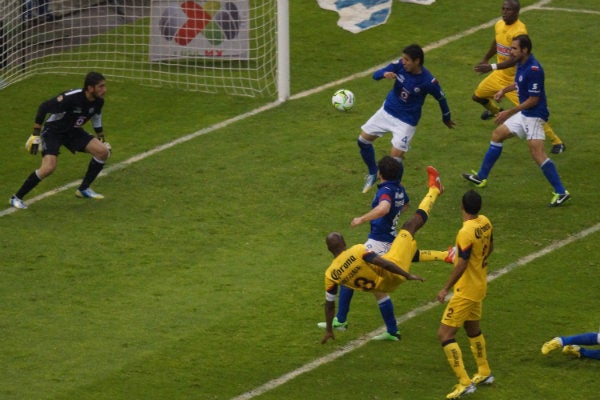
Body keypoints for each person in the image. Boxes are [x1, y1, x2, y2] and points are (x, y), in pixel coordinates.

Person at [318, 156, 454, 336]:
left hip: (379, 240)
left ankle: (342, 321)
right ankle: (446, 255)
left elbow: (383, 208)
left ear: (380, 173)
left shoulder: (386, 190)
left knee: (349, 271)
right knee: (395, 264)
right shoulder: (399, 188)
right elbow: (405, 205)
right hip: (387, 236)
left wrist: (362, 219)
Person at [462, 34, 570, 207]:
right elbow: (520, 83)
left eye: (514, 49)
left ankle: (561, 191)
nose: (510, 52)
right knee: (497, 135)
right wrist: (504, 90)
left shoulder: (534, 70)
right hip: (525, 113)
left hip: (534, 115)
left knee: (537, 154)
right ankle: (481, 176)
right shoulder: (521, 62)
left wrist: (509, 112)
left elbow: (534, 99)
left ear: (524, 50)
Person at [357, 43, 455, 193]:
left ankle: (396, 191)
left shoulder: (428, 81)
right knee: (363, 141)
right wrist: (384, 75)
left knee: (394, 159)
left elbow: (441, 98)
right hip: (387, 112)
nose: (403, 62)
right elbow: (375, 75)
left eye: (407, 60)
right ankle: (372, 172)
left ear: (417, 61)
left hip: (406, 122)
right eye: (403, 58)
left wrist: (446, 117)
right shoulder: (399, 66)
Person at [472, 0, 565, 154]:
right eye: (503, 8)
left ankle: (557, 141)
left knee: (533, 111)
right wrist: (486, 58)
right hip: (498, 75)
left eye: (508, 9)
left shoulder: (520, 32)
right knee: (477, 96)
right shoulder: (499, 24)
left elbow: (515, 59)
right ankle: (496, 111)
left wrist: (492, 66)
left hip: (515, 80)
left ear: (516, 12)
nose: (504, 12)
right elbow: (497, 42)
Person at [9, 72, 111, 209]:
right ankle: (16, 197)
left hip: (73, 131)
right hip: (53, 131)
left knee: (103, 152)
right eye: (101, 86)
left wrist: (101, 139)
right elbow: (44, 107)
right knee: (48, 168)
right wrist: (35, 134)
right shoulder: (71, 98)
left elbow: (96, 118)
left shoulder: (99, 101)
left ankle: (83, 189)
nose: (104, 90)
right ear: (90, 88)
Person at [437, 190, 494, 400]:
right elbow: (491, 248)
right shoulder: (486, 222)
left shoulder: (466, 232)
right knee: (473, 329)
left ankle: (465, 383)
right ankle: (484, 371)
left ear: (462, 207)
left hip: (466, 290)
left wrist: (445, 288)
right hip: (479, 285)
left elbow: (462, 263)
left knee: (445, 335)